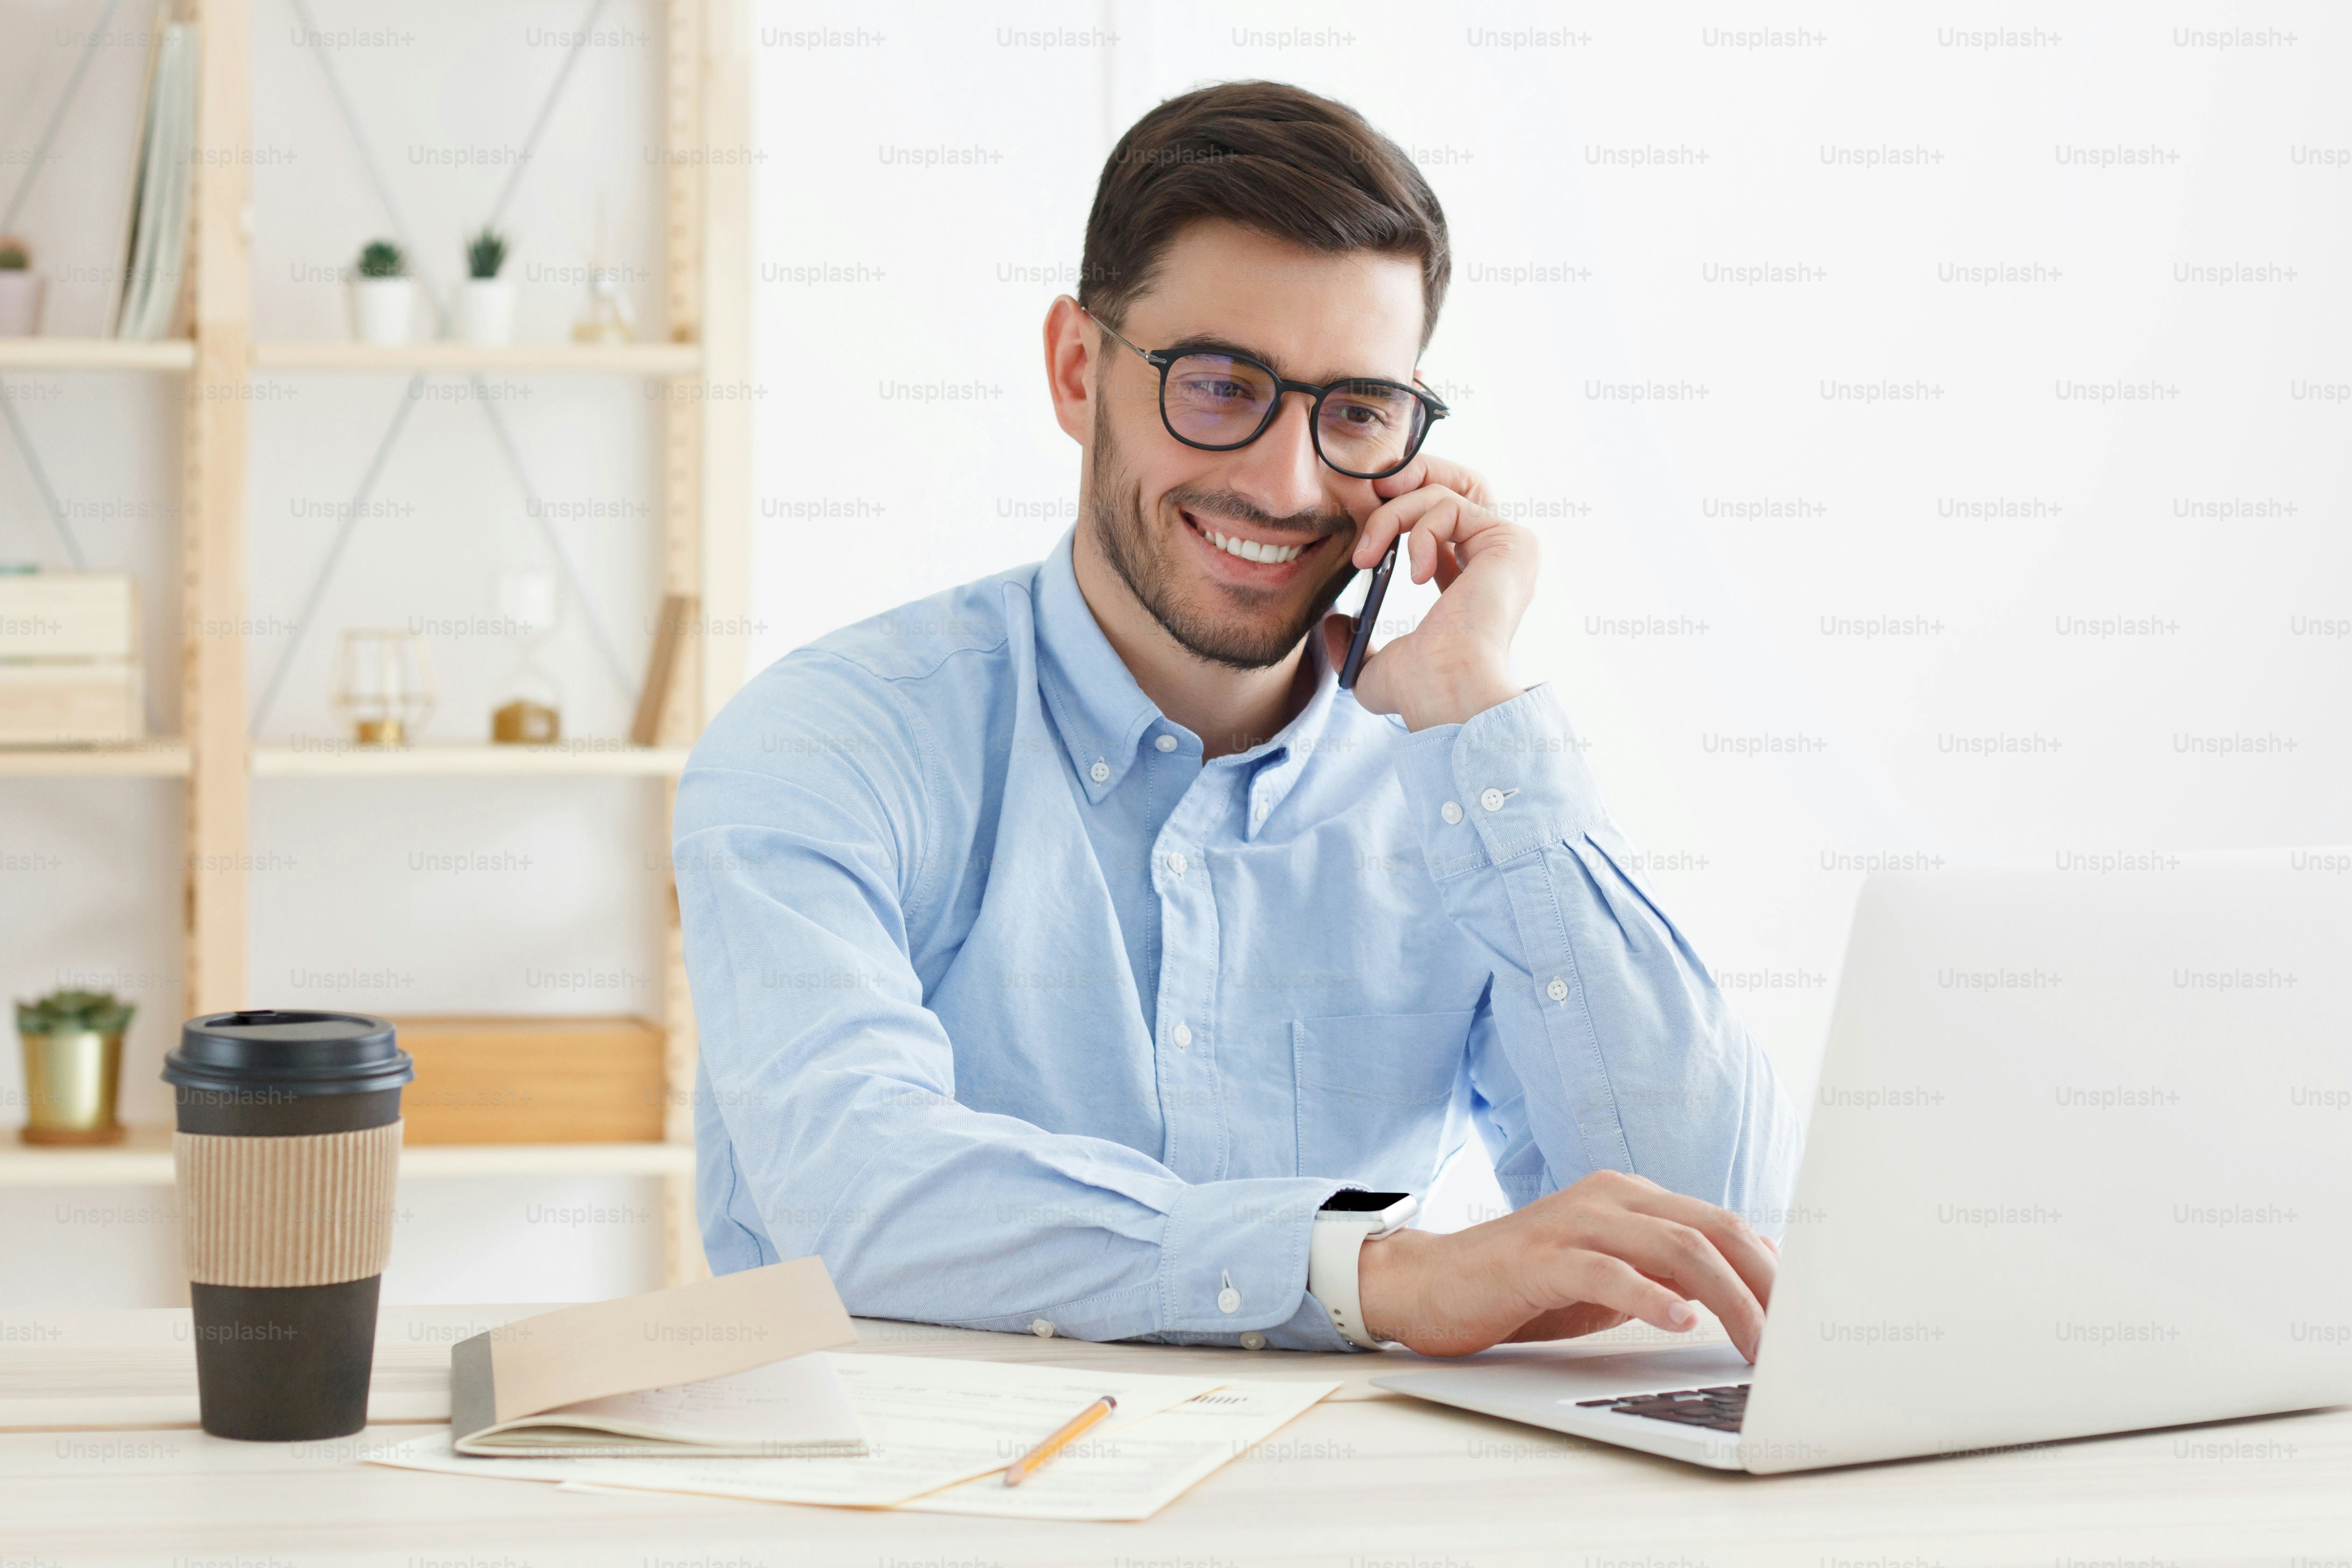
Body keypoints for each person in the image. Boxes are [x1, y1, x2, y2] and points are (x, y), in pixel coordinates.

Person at [675, 81, 1800, 1358]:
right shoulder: (827, 745)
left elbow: (1712, 1230)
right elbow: (854, 1193)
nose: (1285, 481)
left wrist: (1474, 709)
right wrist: (1369, 1271)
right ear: (1075, 370)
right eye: (1219, 386)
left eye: (1356, 411)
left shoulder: (1458, 787)